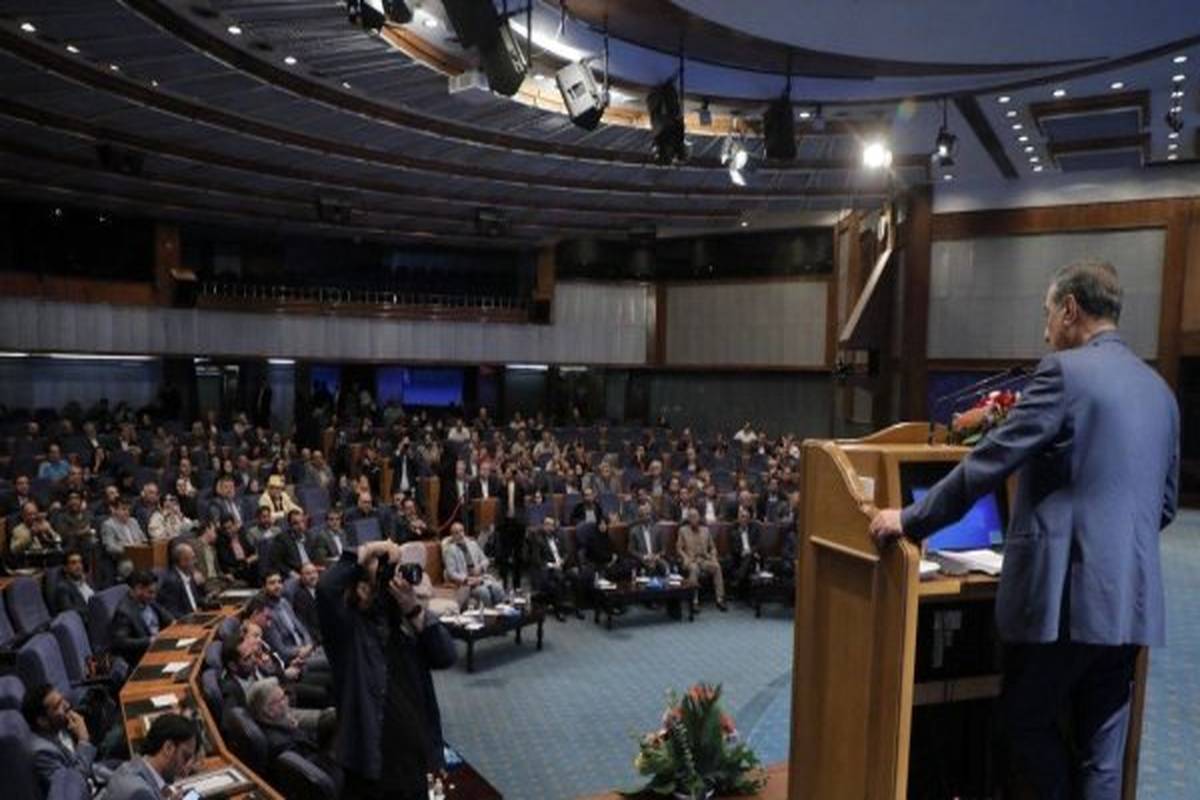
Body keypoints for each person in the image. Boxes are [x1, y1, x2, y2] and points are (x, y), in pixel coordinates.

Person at [869, 259, 1179, 800]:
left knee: (1022, 723)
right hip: (1132, 599)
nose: (1045, 330)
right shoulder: (1159, 391)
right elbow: (1166, 506)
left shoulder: (1063, 374)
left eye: (1047, 314)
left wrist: (910, 519)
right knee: (1102, 751)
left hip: (1068, 602)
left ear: (1070, 309)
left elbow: (987, 464)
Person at [316, 540, 456, 800]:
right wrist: (368, 551)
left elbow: (446, 656)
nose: (390, 583)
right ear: (360, 589)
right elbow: (326, 589)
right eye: (380, 576)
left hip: (415, 759)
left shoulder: (403, 624)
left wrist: (414, 609)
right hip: (374, 769)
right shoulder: (347, 632)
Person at [23, 683, 100, 795]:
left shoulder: (57, 729)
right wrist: (83, 740)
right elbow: (72, 789)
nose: (67, 705)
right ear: (42, 721)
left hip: (95, 776)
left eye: (63, 700)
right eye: (58, 705)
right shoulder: (41, 753)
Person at [103, 713, 197, 800]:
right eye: (185, 757)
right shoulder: (140, 793)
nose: (186, 770)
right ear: (168, 748)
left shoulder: (130, 768)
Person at [111, 570, 175, 664]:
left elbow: (168, 618)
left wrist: (173, 623)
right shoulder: (124, 612)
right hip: (145, 658)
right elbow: (120, 642)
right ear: (138, 588)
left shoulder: (147, 600)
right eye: (150, 592)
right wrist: (150, 641)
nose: (154, 596)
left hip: (161, 647)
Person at [441, 521, 505, 607]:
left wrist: (480, 567)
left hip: (480, 577)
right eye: (456, 533)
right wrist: (466, 579)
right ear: (452, 536)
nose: (460, 534)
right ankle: (488, 614)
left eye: (461, 531)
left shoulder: (473, 544)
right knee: (484, 592)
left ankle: (501, 612)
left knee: (498, 588)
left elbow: (485, 560)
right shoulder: (450, 550)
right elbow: (451, 573)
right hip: (466, 583)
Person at [676, 507, 727, 611]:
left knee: (717, 567)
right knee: (694, 569)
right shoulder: (683, 530)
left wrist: (713, 557)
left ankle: (720, 599)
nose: (693, 519)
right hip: (691, 560)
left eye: (695, 516)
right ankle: (694, 601)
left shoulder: (705, 530)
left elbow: (712, 547)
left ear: (699, 518)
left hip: (704, 559)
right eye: (691, 517)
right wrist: (685, 557)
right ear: (688, 519)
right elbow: (679, 548)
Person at [101, 498, 147, 579]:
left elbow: (144, 539)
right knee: (131, 566)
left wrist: (142, 544)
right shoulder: (108, 525)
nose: (127, 512)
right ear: (114, 510)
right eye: (123, 509)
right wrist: (128, 549)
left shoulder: (133, 521)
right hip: (123, 560)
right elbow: (110, 547)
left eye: (128, 510)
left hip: (140, 555)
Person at [158, 541, 206, 617]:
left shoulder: (190, 575)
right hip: (186, 621)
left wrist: (202, 586)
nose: (196, 561)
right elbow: (171, 611)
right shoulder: (171, 582)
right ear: (183, 561)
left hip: (197, 616)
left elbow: (196, 601)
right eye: (193, 558)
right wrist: (191, 618)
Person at [269, 509, 314, 578]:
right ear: (289, 525)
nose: (300, 526)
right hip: (296, 573)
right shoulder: (282, 539)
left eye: (302, 521)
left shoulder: (308, 535)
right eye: (295, 523)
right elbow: (277, 562)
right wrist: (291, 573)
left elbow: (313, 556)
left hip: (311, 570)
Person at [628, 503, 669, 576]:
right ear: (640, 517)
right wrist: (644, 557)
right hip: (642, 560)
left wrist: (657, 556)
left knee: (664, 567)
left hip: (656, 558)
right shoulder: (634, 532)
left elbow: (663, 549)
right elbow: (631, 550)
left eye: (649, 514)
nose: (649, 517)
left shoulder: (658, 529)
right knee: (649, 568)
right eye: (646, 515)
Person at [53, 548, 96, 615]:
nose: (78, 566)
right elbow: (70, 612)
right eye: (73, 563)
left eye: (80, 562)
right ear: (65, 568)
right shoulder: (63, 588)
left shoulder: (88, 581)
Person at [292, 562, 323, 645]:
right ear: (301, 577)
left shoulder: (324, 588)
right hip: (318, 638)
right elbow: (304, 624)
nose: (312, 576)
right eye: (308, 574)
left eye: (314, 572)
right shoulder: (299, 596)